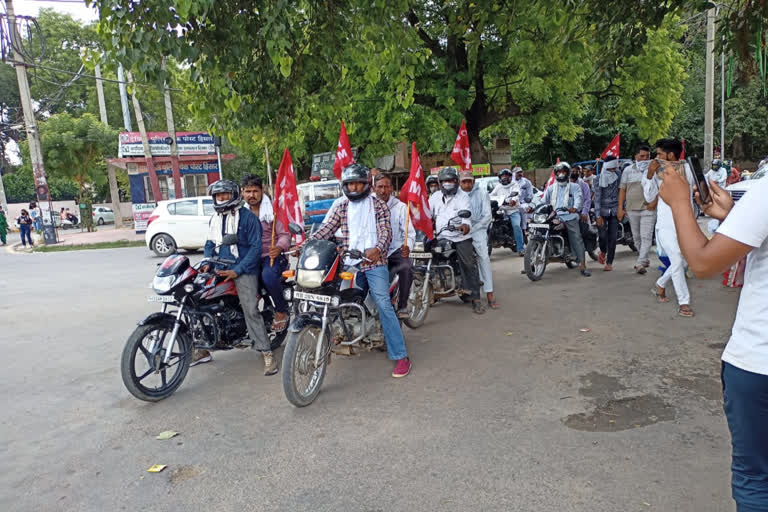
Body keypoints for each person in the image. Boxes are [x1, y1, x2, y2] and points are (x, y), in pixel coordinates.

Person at [658, 165, 768, 512]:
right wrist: (736, 217)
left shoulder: (764, 194)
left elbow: (704, 264)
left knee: (756, 480)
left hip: (759, 363)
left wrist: (678, 202)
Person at [312, 163, 411, 378]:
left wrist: (378, 249)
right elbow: (326, 228)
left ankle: (401, 356)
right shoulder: (341, 206)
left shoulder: (378, 206)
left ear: (367, 184)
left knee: (383, 303)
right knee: (328, 295)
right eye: (350, 184)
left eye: (358, 183)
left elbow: (386, 232)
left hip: (373, 262)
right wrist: (307, 244)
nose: (354, 187)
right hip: (348, 262)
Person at [198, 179, 277, 375]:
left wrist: (238, 270)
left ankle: (267, 353)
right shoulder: (215, 219)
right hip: (219, 268)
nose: (221, 198)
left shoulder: (248, 218)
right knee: (199, 302)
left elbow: (256, 248)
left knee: (251, 309)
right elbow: (210, 243)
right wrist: (207, 261)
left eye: (224, 194)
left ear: (233, 195)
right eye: (218, 195)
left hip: (244, 269)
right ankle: (202, 348)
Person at [642, 138, 695, 318]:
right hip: (665, 224)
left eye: (659, 154)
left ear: (671, 155)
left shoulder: (688, 169)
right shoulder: (655, 173)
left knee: (687, 260)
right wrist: (649, 176)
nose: (656, 158)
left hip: (686, 222)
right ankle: (684, 302)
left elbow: (697, 193)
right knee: (677, 261)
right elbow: (649, 198)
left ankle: (661, 284)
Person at [430, 167, 486, 314]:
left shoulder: (463, 197)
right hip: (441, 236)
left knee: (468, 263)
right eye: (445, 181)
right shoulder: (435, 197)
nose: (448, 183)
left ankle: (476, 298)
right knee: (431, 260)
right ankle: (435, 290)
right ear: (440, 182)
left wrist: (465, 225)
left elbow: (466, 215)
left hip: (460, 236)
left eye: (451, 181)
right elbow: (428, 214)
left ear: (456, 182)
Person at [241, 174, 291, 332]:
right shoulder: (240, 213)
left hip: (271, 257)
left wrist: (279, 247)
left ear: (262, 191)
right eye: (248, 191)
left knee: (268, 277)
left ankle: (282, 311)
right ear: (242, 192)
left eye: (255, 191)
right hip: (250, 258)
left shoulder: (273, 212)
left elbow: (285, 235)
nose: (251, 195)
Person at [374, 174, 415, 319]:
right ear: (374, 188)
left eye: (386, 187)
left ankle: (402, 305)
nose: (383, 190)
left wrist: (407, 246)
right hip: (374, 252)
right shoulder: (368, 205)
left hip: (394, 250)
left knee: (406, 267)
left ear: (391, 188)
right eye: (380, 187)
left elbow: (409, 233)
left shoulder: (400, 207)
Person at [542, 162, 591, 277]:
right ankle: (533, 261)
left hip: (570, 216)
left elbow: (579, 199)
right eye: (559, 172)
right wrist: (532, 207)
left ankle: (583, 265)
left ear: (568, 173)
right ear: (555, 173)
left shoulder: (575, 187)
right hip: (554, 216)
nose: (561, 174)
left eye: (564, 172)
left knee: (576, 236)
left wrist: (575, 208)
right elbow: (542, 201)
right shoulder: (550, 188)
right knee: (539, 229)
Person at [459, 171, 497, 309]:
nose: (467, 184)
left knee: (483, 258)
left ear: (473, 181)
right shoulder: (457, 194)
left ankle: (489, 292)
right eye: (464, 182)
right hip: (460, 231)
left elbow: (487, 216)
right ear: (460, 183)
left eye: (469, 181)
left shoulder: (482, 193)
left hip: (478, 229)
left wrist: (473, 228)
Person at [618, 145, 657, 274]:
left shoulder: (655, 170)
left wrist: (654, 202)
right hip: (631, 209)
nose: (645, 159)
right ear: (636, 156)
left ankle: (640, 263)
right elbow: (622, 189)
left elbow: (660, 188)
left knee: (646, 236)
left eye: (647, 156)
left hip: (648, 208)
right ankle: (643, 258)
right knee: (637, 238)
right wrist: (620, 208)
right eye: (642, 156)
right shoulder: (628, 170)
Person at [594, 157, 623, 271]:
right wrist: (597, 215)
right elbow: (597, 198)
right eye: (610, 169)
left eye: (614, 169)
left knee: (613, 237)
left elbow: (622, 192)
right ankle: (603, 251)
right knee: (602, 236)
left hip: (615, 210)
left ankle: (609, 262)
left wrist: (622, 208)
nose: (612, 171)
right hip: (602, 211)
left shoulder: (619, 176)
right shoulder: (598, 179)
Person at [490, 168, 525, 256]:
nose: (504, 178)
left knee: (516, 226)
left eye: (506, 176)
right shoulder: (498, 186)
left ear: (510, 177)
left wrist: (513, 200)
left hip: (512, 210)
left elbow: (516, 194)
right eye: (502, 176)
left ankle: (521, 249)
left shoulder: (514, 185)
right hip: (501, 210)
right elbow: (491, 195)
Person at [570, 166, 593, 242]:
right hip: (568, 214)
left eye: (575, 171)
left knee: (586, 233)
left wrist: (584, 212)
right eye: (571, 171)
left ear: (578, 173)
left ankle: (590, 249)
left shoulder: (583, 184)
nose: (573, 173)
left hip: (582, 213)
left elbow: (587, 199)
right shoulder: (565, 184)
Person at [513, 166, 534, 231]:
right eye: (518, 172)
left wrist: (529, 198)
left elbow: (530, 194)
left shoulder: (526, 182)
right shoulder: (510, 182)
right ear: (513, 173)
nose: (520, 174)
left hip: (522, 203)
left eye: (521, 172)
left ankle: (524, 229)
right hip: (511, 203)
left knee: (524, 209)